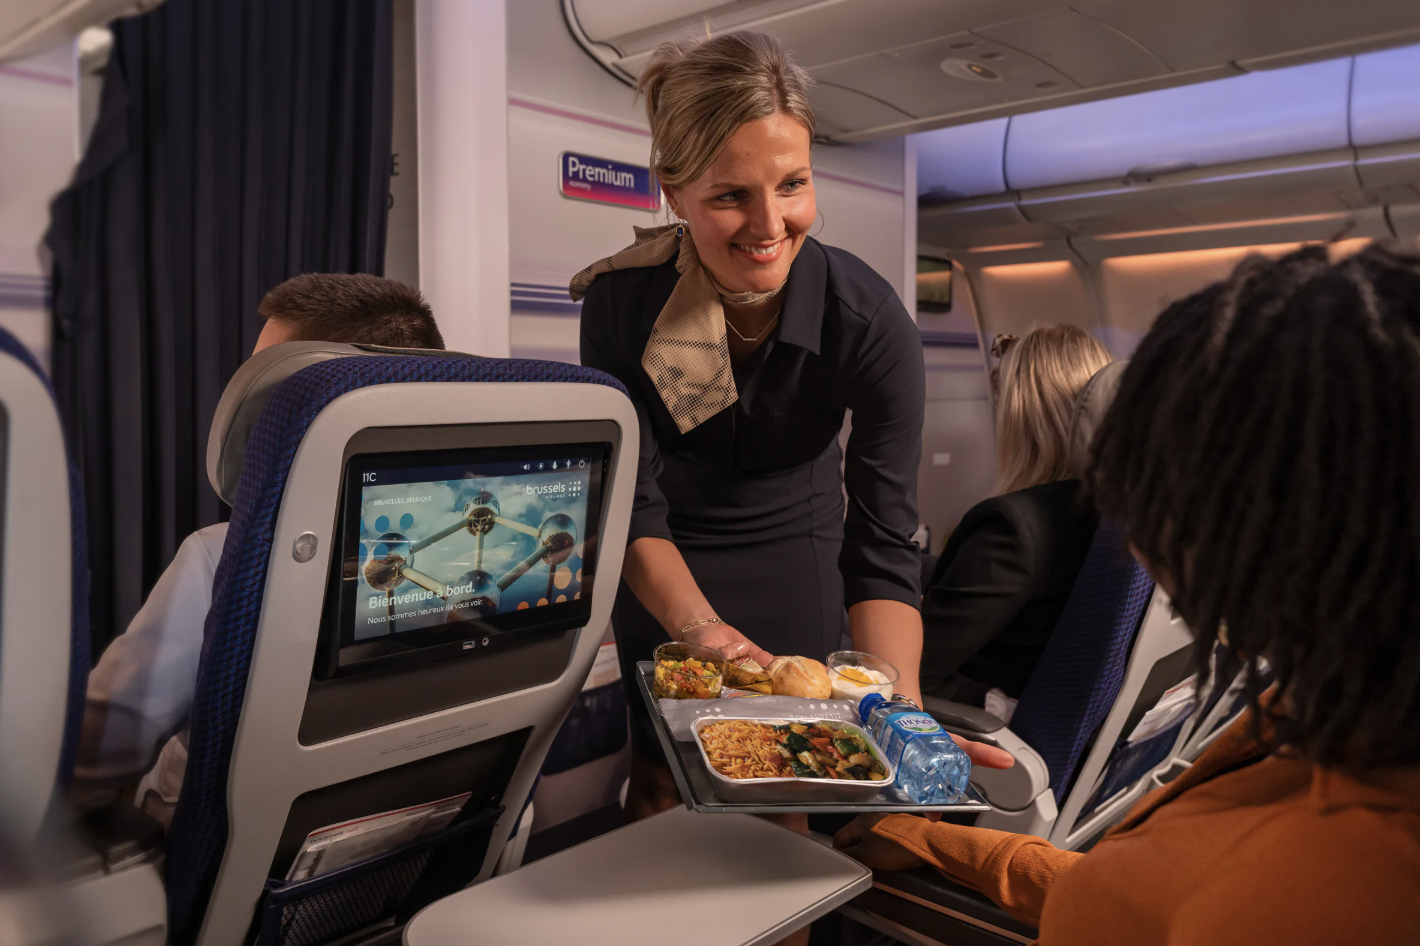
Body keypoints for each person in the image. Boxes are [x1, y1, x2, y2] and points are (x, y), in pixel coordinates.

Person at [834, 243, 1420, 944]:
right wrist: (941, 844)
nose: (1140, 548)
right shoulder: (1312, 710)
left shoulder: (1293, 889)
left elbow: (1123, 897)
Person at [574, 30, 1013, 819]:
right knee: (664, 780)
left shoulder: (867, 322)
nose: (769, 223)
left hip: (798, 551)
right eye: (730, 194)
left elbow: (882, 540)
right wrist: (698, 626)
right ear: (673, 192)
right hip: (665, 556)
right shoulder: (623, 306)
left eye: (792, 184)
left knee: (790, 792)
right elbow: (631, 500)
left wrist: (899, 711)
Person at [74, 273, 445, 825]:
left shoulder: (225, 560)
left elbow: (91, 759)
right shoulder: (466, 553)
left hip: (217, 872)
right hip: (421, 850)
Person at [920, 325, 1113, 713]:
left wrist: (993, 704)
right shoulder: (1112, 512)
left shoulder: (1014, 526)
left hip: (986, 724)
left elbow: (911, 673)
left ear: (1021, 414)